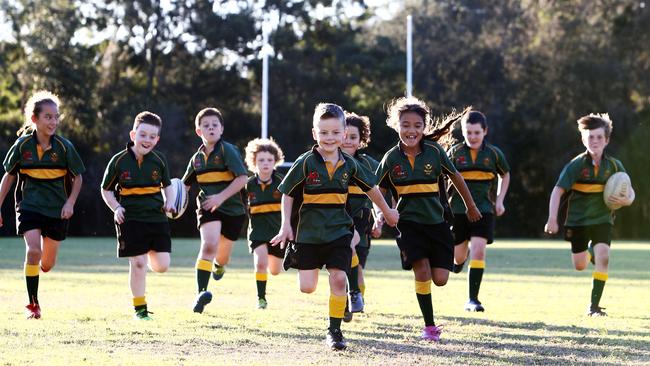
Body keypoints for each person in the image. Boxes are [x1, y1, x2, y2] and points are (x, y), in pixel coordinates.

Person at [270, 103, 399, 351]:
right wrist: (286, 225)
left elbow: (371, 189)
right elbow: (287, 194)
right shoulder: (306, 162)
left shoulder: (349, 164)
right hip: (308, 234)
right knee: (307, 287)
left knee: (339, 279)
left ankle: (335, 331)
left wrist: (387, 211)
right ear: (314, 133)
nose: (329, 138)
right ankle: (299, 259)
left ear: (343, 134)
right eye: (324, 132)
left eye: (335, 132)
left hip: (339, 230)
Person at [375, 97, 481, 341]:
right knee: (421, 270)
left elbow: (457, 178)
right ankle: (430, 326)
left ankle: (445, 278)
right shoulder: (391, 158)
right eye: (406, 125)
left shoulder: (435, 152)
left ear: (424, 127)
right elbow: (377, 191)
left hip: (437, 223)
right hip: (408, 225)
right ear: (396, 125)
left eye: (417, 125)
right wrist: (382, 213)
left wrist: (471, 206)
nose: (411, 130)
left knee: (441, 279)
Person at [0, 90, 85, 319]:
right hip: (29, 206)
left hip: (57, 209)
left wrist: (70, 202)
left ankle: (37, 272)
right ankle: (33, 305)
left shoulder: (65, 147)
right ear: (34, 119)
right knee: (33, 251)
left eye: (56, 116)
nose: (54, 121)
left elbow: (78, 177)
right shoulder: (22, 145)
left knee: (46, 264)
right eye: (48, 116)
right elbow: (8, 176)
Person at [544, 113, 634, 317]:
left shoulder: (614, 166)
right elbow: (557, 191)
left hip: (603, 219)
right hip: (577, 222)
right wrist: (552, 218)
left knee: (604, 257)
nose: (594, 141)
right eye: (590, 137)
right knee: (580, 265)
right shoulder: (576, 165)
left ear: (607, 140)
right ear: (583, 139)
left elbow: (629, 189)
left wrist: (627, 200)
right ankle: (590, 251)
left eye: (599, 137)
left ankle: (594, 306)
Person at [101, 111, 174, 320]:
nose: (147, 140)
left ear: (157, 139)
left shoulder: (160, 160)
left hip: (156, 218)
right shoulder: (118, 161)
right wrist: (116, 208)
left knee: (162, 266)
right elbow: (105, 190)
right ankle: (140, 310)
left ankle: (145, 256)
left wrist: (169, 202)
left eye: (152, 137)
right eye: (143, 135)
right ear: (133, 135)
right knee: (138, 263)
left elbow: (167, 186)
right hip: (130, 219)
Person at [182, 107, 248, 313]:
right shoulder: (196, 159)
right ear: (198, 131)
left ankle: (220, 266)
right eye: (206, 126)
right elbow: (184, 185)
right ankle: (201, 293)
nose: (210, 128)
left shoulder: (227, 150)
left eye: (214, 125)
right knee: (209, 245)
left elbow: (242, 178)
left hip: (233, 210)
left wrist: (220, 197)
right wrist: (172, 203)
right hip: (208, 206)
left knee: (222, 256)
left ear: (221, 129)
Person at [448, 110, 510, 312]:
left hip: (484, 209)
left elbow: (505, 175)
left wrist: (500, 200)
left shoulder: (493, 154)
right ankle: (458, 262)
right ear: (463, 133)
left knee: (478, 250)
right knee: (458, 257)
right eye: (468, 132)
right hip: (458, 210)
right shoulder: (455, 153)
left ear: (485, 131)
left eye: (476, 132)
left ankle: (472, 300)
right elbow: (441, 176)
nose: (472, 137)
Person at [340, 111, 380, 321]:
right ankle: (351, 297)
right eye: (344, 136)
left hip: (361, 217)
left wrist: (380, 217)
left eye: (353, 137)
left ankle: (354, 294)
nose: (348, 141)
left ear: (361, 140)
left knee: (355, 259)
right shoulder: (328, 162)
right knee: (345, 264)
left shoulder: (370, 165)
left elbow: (380, 195)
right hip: (336, 216)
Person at [244, 137, 286, 309]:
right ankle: (261, 298)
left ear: (275, 161)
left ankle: (272, 264)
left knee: (275, 270)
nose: (265, 163)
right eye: (261, 160)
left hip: (277, 233)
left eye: (269, 160)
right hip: (257, 232)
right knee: (260, 263)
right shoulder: (248, 185)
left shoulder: (282, 183)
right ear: (254, 162)